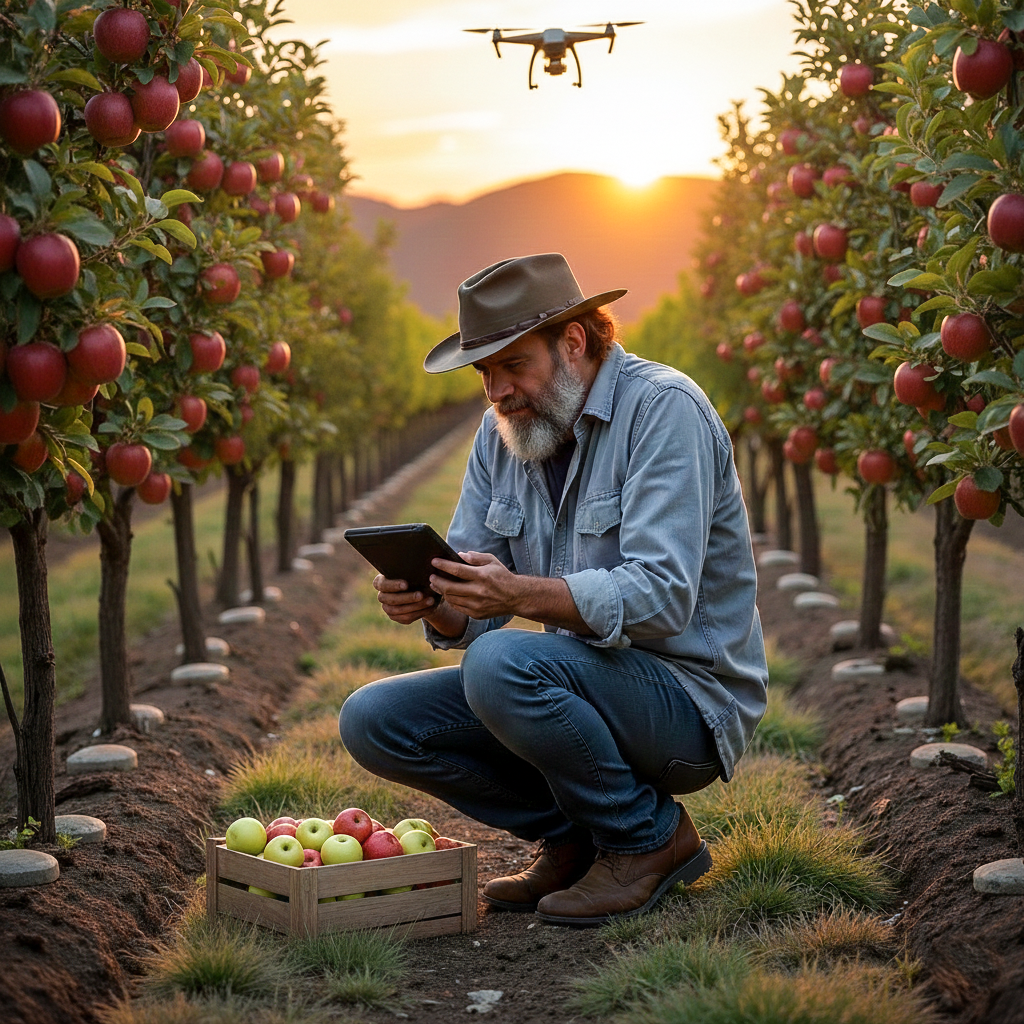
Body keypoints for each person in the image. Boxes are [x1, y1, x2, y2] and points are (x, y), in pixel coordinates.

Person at [339, 252, 767, 926]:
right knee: (374, 721)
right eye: (485, 373)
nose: (497, 390)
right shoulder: (498, 436)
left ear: (573, 343)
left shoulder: (664, 411)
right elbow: (473, 603)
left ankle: (646, 839)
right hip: (580, 685)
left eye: (513, 365)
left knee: (502, 665)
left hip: (687, 700)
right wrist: (436, 601)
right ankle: (574, 840)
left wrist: (515, 596)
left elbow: (662, 593)